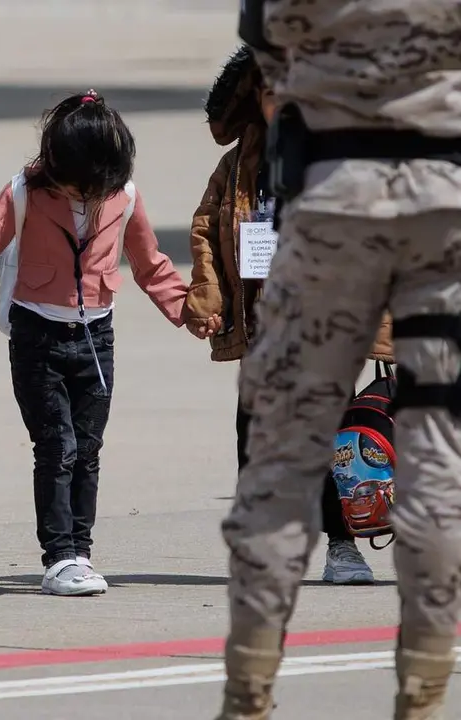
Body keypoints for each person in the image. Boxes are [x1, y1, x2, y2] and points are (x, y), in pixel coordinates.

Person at [215, 2, 461, 718]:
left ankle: (249, 691)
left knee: (284, 456)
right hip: (444, 208)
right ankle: (422, 696)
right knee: (437, 455)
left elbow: (263, 37)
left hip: (333, 200)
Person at [0, 91, 192, 596]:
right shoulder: (24, 192)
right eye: (78, 186)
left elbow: (150, 263)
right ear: (54, 166)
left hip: (97, 337)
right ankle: (58, 558)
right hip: (38, 335)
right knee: (57, 445)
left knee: (89, 449)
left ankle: (80, 552)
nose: (87, 197)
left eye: (98, 187)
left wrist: (187, 309)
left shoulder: (125, 197)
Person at [183, 45, 396, 586]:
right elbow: (207, 229)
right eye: (275, 94)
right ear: (258, 98)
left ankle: (342, 548)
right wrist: (208, 296)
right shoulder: (237, 168)